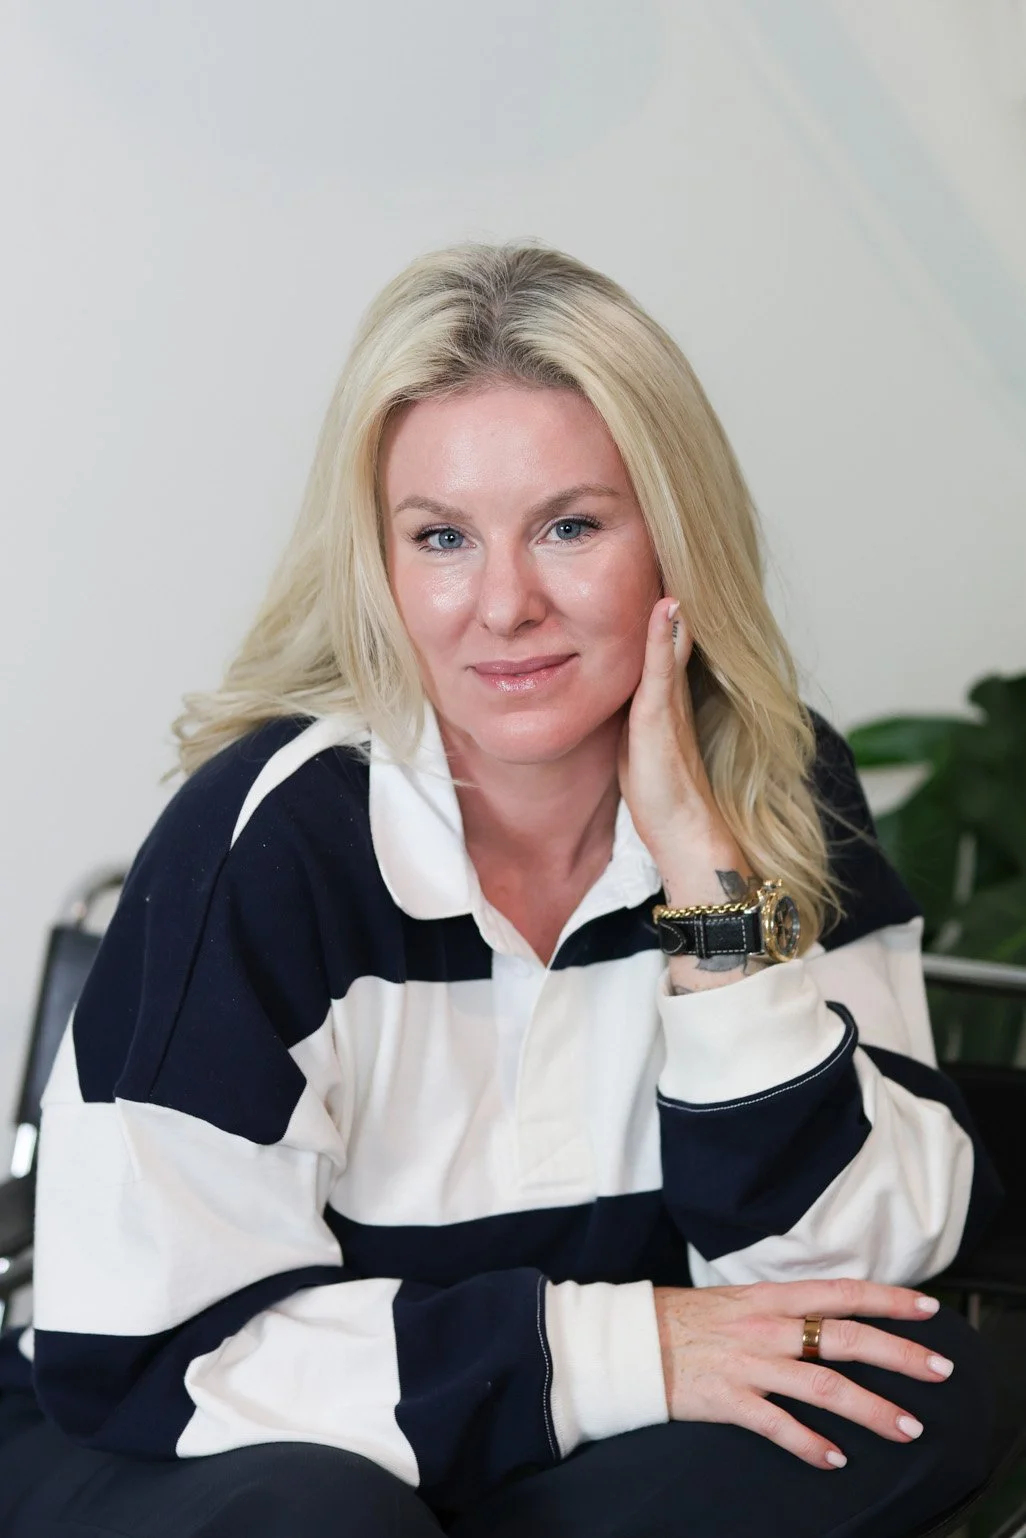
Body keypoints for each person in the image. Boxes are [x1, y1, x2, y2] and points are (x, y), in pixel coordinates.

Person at [0, 241, 1001, 1538]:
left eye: (570, 526)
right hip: (218, 1440)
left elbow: (835, 1286)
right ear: (378, 562)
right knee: (327, 1514)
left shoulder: (769, 773)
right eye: (442, 539)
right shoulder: (274, 833)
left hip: (566, 1446)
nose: (505, 604)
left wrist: (711, 893)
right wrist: (622, 1345)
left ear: (671, 538)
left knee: (904, 1390)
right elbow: (147, 1342)